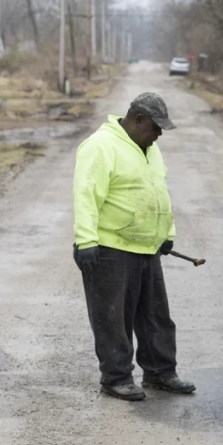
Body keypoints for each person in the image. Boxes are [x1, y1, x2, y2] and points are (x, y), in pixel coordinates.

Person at [72, 91, 196, 401]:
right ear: (138, 120)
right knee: (113, 317)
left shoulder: (149, 149)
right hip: (109, 248)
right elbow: (85, 195)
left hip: (146, 248)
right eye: (156, 127)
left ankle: (160, 372)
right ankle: (115, 377)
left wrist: (167, 232)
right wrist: (86, 240)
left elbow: (159, 191)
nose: (159, 135)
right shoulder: (101, 146)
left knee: (156, 316)